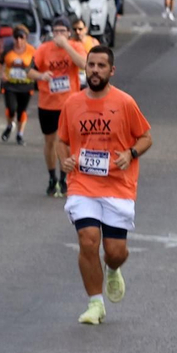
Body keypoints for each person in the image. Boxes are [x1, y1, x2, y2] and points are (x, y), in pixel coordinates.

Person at [55, 44, 152, 324]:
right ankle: (95, 304)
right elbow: (62, 141)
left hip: (118, 186)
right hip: (82, 184)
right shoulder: (72, 104)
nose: (95, 70)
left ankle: (112, 269)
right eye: (91, 65)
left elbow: (146, 137)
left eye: (100, 66)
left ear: (111, 70)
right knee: (88, 241)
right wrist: (65, 161)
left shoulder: (124, 103)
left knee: (114, 251)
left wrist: (130, 153)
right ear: (85, 68)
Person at [28, 20, 89, 197]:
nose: (59, 34)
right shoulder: (43, 49)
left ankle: (64, 177)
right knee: (50, 141)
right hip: (47, 103)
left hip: (70, 104)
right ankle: (51, 177)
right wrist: (41, 75)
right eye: (56, 31)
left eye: (63, 31)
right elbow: (29, 71)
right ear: (52, 32)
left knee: (68, 142)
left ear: (69, 33)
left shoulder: (76, 46)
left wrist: (66, 47)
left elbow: (84, 65)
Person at [0, 25, 36, 145]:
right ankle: (10, 125)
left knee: (21, 111)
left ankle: (20, 134)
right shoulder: (8, 49)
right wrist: (2, 74)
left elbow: (37, 66)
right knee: (11, 108)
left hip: (26, 86)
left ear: (26, 38)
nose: (19, 40)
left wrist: (35, 76)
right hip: (10, 85)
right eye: (16, 37)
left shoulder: (32, 50)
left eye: (22, 37)